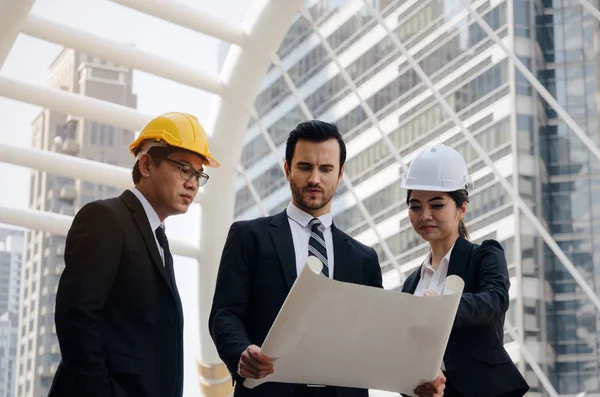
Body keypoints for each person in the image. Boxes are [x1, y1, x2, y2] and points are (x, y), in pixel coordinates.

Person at [209, 120, 445, 397]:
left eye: (325, 169)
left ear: (341, 173)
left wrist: (419, 376)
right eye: (305, 167)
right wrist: (241, 352)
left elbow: (376, 335)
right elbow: (225, 314)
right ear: (287, 169)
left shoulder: (363, 259)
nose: (314, 179)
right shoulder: (248, 236)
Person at [47, 112, 220, 397]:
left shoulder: (159, 241)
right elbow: (76, 318)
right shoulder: (104, 218)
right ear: (147, 164)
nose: (192, 183)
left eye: (199, 175)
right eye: (184, 169)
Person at [399, 143, 529, 397]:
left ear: (461, 208)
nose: (424, 215)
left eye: (436, 205)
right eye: (415, 206)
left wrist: (443, 310)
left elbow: (495, 300)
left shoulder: (484, 255)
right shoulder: (411, 283)